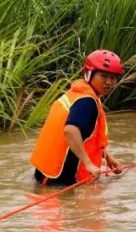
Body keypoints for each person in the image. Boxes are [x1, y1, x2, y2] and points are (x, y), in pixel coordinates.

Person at [30, 50, 124, 186]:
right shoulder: (87, 103)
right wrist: (88, 164)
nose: (109, 82)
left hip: (44, 175)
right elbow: (70, 130)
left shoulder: (77, 93)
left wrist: (107, 157)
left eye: (113, 78)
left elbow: (89, 138)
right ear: (89, 74)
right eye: (104, 76)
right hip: (58, 181)